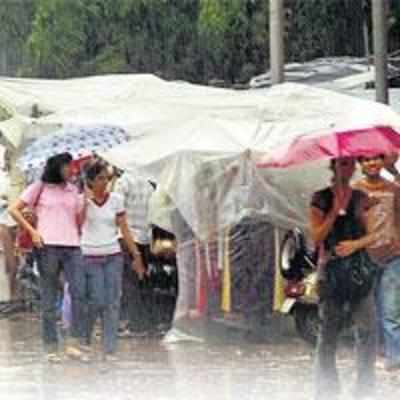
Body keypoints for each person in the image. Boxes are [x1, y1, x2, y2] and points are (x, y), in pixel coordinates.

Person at [310, 157, 378, 400]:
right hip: (331, 272)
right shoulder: (320, 198)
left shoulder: (361, 199)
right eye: (341, 164)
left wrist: (355, 244)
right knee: (328, 331)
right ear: (333, 166)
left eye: (350, 164)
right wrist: (332, 212)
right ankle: (327, 390)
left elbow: (373, 235)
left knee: (368, 330)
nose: (346, 169)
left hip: (359, 270)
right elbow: (316, 236)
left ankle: (364, 389)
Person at [8, 153, 86, 363]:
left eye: (72, 166)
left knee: (79, 293)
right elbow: (14, 209)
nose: (71, 169)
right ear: (57, 167)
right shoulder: (39, 187)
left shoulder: (74, 190)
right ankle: (51, 347)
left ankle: (73, 343)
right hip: (47, 246)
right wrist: (32, 231)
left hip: (73, 246)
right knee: (49, 298)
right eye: (67, 166)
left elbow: (80, 219)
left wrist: (84, 198)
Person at [79, 161, 145, 360]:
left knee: (112, 302)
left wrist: (136, 255)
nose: (105, 182)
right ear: (90, 180)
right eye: (100, 178)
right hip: (89, 255)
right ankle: (85, 338)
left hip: (113, 255)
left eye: (107, 178)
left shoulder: (116, 200)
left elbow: (124, 229)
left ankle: (109, 348)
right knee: (96, 299)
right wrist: (84, 200)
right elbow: (77, 223)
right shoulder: (82, 200)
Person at [353, 154, 400, 371]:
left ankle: (395, 358)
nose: (371, 163)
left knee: (390, 311)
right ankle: (371, 356)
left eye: (376, 159)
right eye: (366, 159)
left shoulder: (393, 188)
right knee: (366, 311)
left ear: (382, 162)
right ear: (360, 164)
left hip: (393, 257)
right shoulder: (354, 190)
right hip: (364, 257)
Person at [115, 170, 155, 337]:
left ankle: (135, 325)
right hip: (146, 238)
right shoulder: (149, 182)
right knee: (143, 281)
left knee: (129, 283)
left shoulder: (123, 182)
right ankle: (144, 323)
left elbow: (116, 212)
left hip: (127, 238)